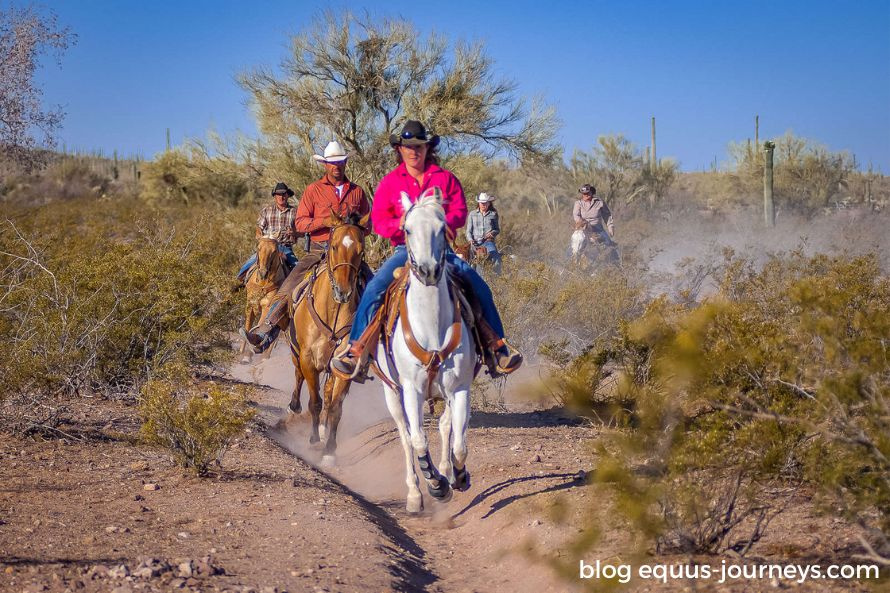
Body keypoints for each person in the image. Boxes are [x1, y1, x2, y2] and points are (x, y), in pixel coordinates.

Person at [331, 120, 522, 379]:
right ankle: (355, 350)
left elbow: (459, 211)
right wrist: (399, 224)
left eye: (418, 146)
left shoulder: (445, 179)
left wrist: (444, 223)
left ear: (427, 148)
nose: (413, 152)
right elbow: (379, 219)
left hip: (442, 251)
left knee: (478, 285)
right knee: (375, 289)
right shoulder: (390, 183)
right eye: (408, 147)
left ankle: (497, 347)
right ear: (399, 149)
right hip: (404, 251)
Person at [240, 141, 372, 353]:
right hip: (319, 251)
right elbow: (300, 223)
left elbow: (368, 225)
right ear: (325, 165)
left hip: (347, 256)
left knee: (373, 286)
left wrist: (354, 231)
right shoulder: (313, 190)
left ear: (345, 162)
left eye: (339, 162)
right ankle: (265, 332)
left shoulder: (357, 192)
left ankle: (378, 339)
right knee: (289, 286)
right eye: (331, 163)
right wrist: (323, 223)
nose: (335, 166)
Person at [236, 182, 299, 282]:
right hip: (267, 246)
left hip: (285, 247)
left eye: (284, 194)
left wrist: (294, 232)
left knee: (297, 268)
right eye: (278, 194)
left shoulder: (295, 212)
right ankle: (240, 281)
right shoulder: (267, 210)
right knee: (249, 263)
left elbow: (302, 232)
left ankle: (295, 292)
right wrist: (259, 234)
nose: (281, 197)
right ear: (274, 196)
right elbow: (259, 227)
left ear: (288, 195)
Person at [572, 184, 617, 263]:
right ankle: (570, 261)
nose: (585, 195)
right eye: (584, 193)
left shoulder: (600, 203)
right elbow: (576, 215)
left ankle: (616, 263)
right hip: (583, 229)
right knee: (575, 242)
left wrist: (610, 226)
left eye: (587, 193)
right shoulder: (578, 203)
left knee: (609, 245)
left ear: (592, 192)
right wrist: (581, 223)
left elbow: (607, 215)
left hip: (598, 229)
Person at [466, 192, 502, 274]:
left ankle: (496, 277)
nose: (483, 205)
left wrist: (492, 233)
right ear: (478, 203)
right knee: (468, 261)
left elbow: (497, 229)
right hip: (474, 243)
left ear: (489, 203)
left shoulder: (493, 214)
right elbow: (468, 231)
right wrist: (470, 240)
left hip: (488, 242)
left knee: (496, 259)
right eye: (482, 203)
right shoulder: (472, 214)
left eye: (485, 203)